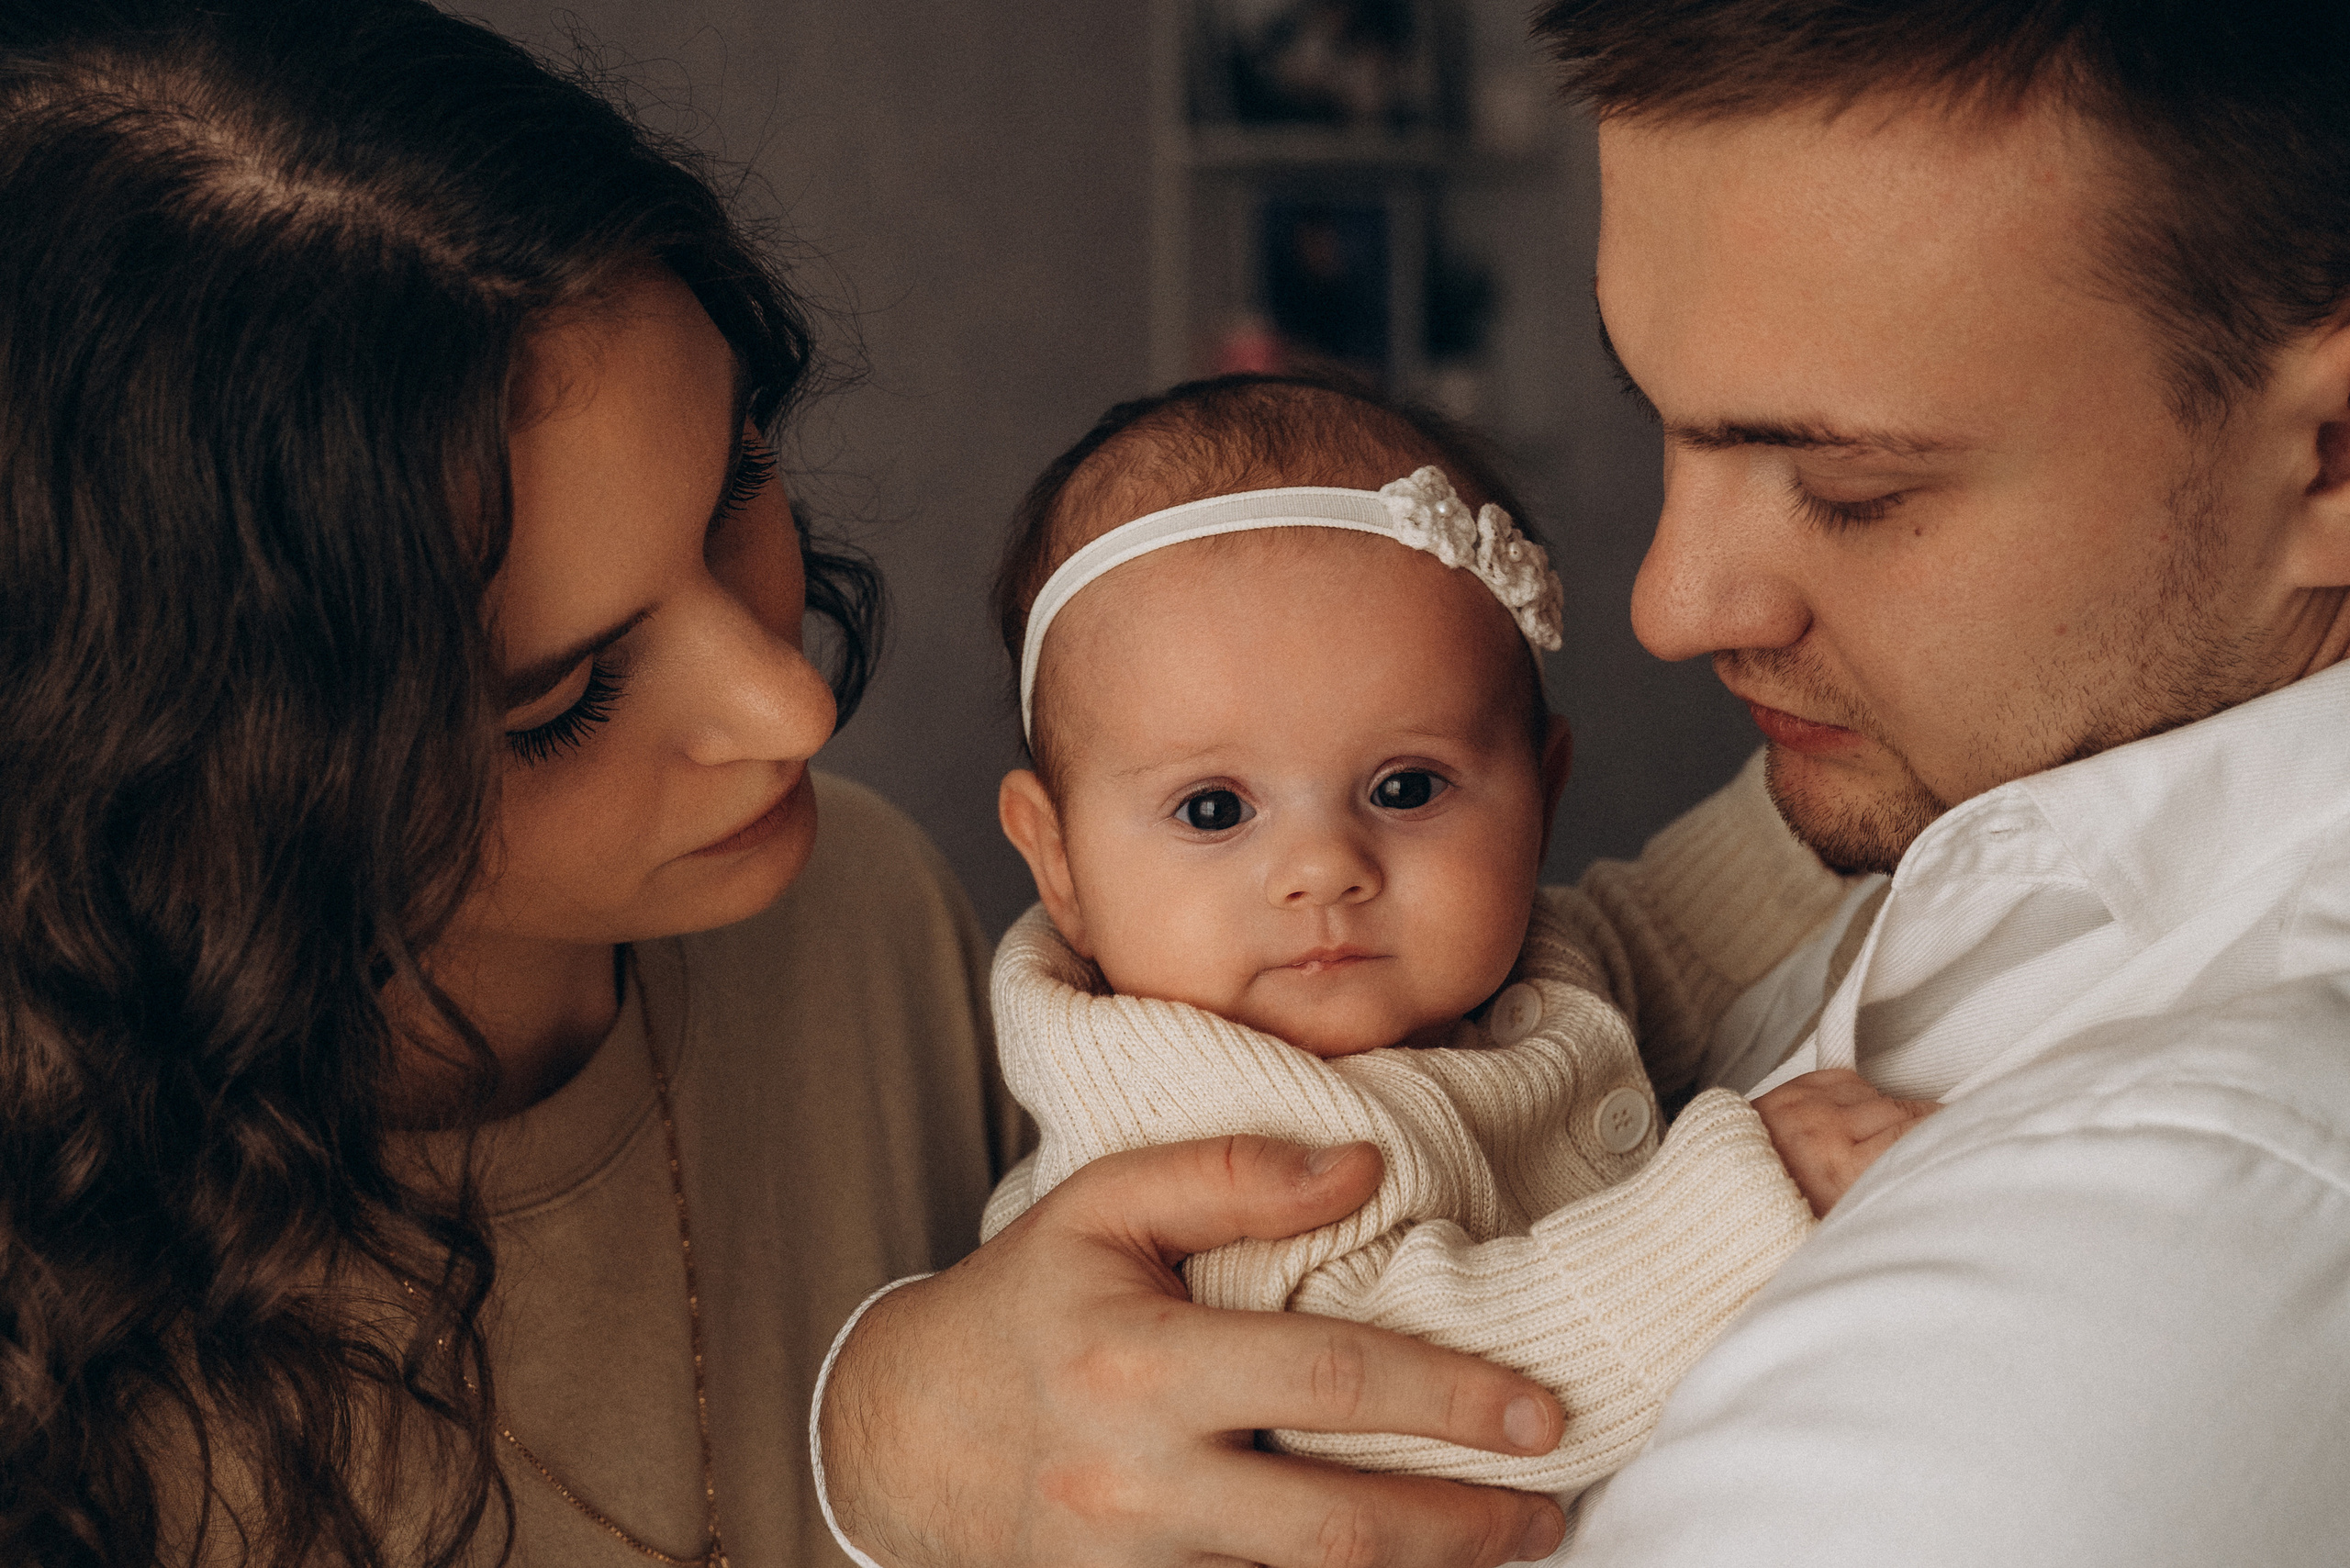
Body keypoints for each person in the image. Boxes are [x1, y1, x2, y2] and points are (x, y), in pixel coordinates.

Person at [817, 3, 2350, 1564]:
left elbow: (1657, 932)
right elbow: (1344, 1384)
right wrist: (884, 1426)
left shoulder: (2182, 1206)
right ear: (1056, 860)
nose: (1667, 607)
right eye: (1663, 424)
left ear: (2335, 452)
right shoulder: (1197, 1113)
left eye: (1849, 481)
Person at [0, 4, 1024, 1565]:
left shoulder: (868, 920)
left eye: (739, 482)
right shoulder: (56, 1340)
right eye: (561, 697)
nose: (794, 705)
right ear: (207, 771)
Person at [979, 372, 1932, 1498]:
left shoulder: (1510, 971)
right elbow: (1411, 1393)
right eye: (1214, 809)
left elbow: (1664, 931)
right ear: (1060, 864)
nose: (1323, 866)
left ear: (1541, 794)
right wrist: (1732, 1210)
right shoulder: (1179, 1144)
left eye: (1405, 786)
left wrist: (1826, 819)